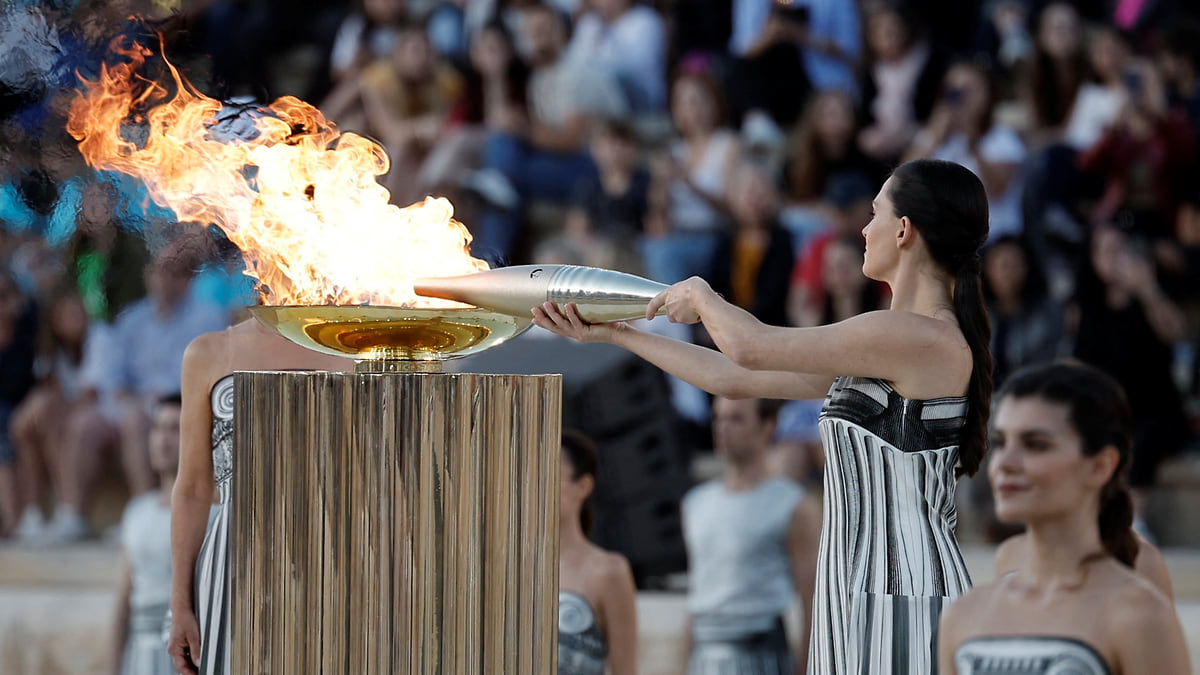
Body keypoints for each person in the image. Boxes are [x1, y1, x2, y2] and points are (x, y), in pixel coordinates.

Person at [533, 158, 993, 672]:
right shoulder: (889, 342)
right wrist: (612, 334)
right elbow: (731, 377)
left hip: (905, 592)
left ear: (904, 230)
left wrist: (703, 295)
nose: (864, 229)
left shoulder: (918, 335)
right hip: (855, 592)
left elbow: (751, 346)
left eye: (875, 213)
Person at [936, 361, 1190, 674]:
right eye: (1001, 442)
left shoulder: (1140, 614)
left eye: (1036, 445)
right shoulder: (963, 615)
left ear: (1100, 466)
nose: (1005, 463)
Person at [167, 318, 350, 675]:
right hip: (235, 563)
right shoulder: (209, 352)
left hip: (335, 556)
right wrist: (180, 604)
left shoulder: (359, 346)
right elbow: (192, 488)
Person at [681, 396, 820, 674]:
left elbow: (812, 600)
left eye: (736, 418)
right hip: (704, 653)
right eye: (719, 418)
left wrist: (806, 666)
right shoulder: (696, 503)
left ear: (768, 426)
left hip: (762, 651)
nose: (723, 428)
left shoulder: (793, 505)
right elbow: (698, 592)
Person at [558, 429, 638, 675]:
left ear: (583, 486)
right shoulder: (505, 568)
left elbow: (625, 670)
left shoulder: (608, 571)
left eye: (547, 473)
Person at [111, 394, 180, 675]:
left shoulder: (212, 514)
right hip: (139, 652)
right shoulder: (137, 511)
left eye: (175, 429)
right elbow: (123, 601)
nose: (162, 440)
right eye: (157, 428)